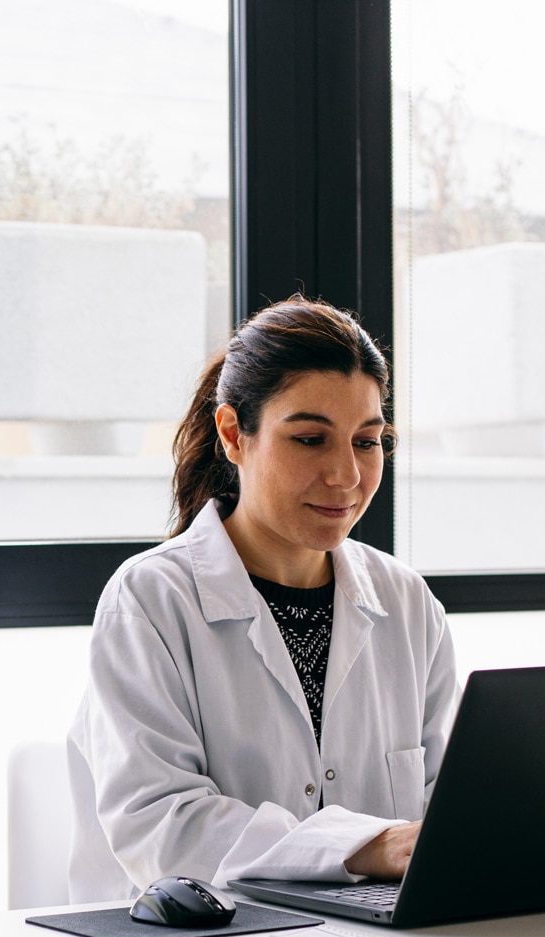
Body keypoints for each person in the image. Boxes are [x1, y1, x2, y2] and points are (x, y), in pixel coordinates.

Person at [67, 297, 458, 903]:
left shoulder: (407, 602)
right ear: (233, 434)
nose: (346, 476)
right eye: (309, 439)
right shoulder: (151, 599)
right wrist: (364, 847)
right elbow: (159, 825)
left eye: (367, 441)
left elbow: (451, 810)